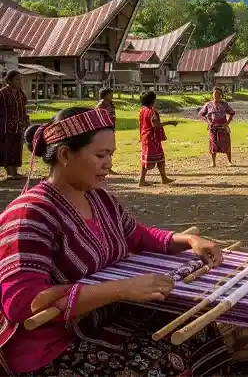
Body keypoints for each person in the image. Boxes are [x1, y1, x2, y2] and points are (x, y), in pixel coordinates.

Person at [0, 107, 231, 376]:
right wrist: (121, 289)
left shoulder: (99, 198)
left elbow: (137, 235)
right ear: (64, 154)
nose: (108, 163)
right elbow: (23, 303)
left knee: (195, 327)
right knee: (161, 364)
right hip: (53, 344)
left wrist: (189, 240)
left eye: (111, 154)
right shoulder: (29, 215)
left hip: (104, 316)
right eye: (100, 155)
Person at [138, 91, 177, 187]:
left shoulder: (142, 111)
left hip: (145, 137)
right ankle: (143, 180)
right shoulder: (152, 112)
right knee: (156, 158)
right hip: (153, 139)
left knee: (151, 159)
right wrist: (170, 122)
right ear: (153, 100)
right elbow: (156, 126)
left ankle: (163, 178)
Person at [0, 70, 29, 180]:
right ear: (9, 81)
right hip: (5, 127)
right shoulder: (3, 93)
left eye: (20, 79)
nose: (20, 81)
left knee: (17, 148)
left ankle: (15, 172)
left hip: (19, 126)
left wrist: (25, 120)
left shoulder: (20, 93)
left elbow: (23, 108)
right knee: (7, 148)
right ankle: (10, 173)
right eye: (17, 79)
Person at [199, 87, 236, 167]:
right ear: (212, 94)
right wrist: (208, 122)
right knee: (213, 144)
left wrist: (227, 123)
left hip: (223, 127)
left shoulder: (224, 104)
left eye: (219, 94)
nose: (217, 95)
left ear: (221, 95)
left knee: (226, 143)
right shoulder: (208, 105)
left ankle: (229, 161)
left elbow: (232, 113)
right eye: (215, 93)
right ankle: (213, 162)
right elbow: (201, 114)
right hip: (212, 128)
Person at [95, 87, 118, 175]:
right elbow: (97, 116)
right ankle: (103, 167)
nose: (112, 95)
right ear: (105, 95)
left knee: (111, 149)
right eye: (110, 94)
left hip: (110, 129)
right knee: (105, 149)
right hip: (103, 130)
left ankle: (108, 167)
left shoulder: (110, 103)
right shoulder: (101, 104)